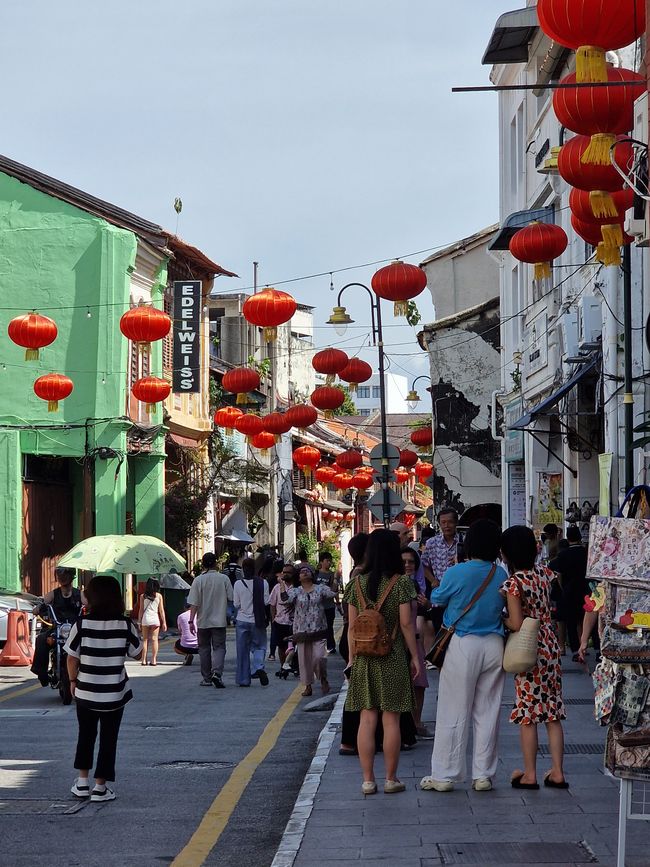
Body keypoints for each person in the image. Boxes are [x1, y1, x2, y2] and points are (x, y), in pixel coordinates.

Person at [420, 519, 506, 793]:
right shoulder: (500, 574)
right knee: (488, 710)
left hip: (462, 644)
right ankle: (483, 775)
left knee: (453, 710)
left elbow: (438, 597)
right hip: (494, 644)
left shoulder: (457, 572)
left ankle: (445, 775)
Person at [344, 528, 420, 795]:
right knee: (392, 720)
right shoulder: (401, 584)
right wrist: (415, 657)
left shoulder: (355, 584)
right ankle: (391, 778)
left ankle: (367, 780)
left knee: (367, 719)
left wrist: (352, 658)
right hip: (393, 657)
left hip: (364, 660)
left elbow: (352, 627)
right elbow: (407, 624)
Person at [64, 575, 142, 803]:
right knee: (109, 738)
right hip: (114, 694)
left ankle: (81, 782)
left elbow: (71, 658)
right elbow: (137, 653)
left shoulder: (82, 624)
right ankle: (100, 787)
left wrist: (72, 682)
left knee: (85, 735)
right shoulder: (125, 624)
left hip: (86, 692)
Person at [501, 525, 568, 789]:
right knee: (552, 712)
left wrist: (504, 619)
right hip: (550, 644)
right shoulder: (544, 574)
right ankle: (558, 771)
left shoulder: (514, 583)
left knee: (528, 713)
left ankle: (530, 774)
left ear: (507, 554)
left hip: (530, 648)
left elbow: (516, 623)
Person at [284, 564, 335, 697]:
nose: (305, 573)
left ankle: (323, 678)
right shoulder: (295, 591)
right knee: (304, 660)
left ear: (312, 575)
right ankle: (308, 686)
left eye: (308, 571)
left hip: (318, 629)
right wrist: (281, 584)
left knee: (319, 657)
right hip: (301, 631)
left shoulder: (320, 589)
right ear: (298, 577)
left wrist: (335, 580)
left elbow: (332, 594)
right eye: (302, 572)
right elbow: (286, 600)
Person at [31, 567, 86, 687]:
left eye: (65, 574)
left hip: (76, 628)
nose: (62, 577)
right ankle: (42, 674)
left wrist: (92, 606)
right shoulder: (53, 594)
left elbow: (88, 603)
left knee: (90, 640)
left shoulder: (79, 594)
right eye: (60, 574)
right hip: (58, 628)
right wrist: (38, 608)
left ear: (71, 576)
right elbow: (42, 604)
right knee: (41, 639)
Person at [187, 552, 233, 689]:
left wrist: (191, 621)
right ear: (216, 563)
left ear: (203, 564)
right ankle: (217, 673)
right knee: (219, 648)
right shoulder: (224, 579)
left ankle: (206, 678)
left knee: (204, 649)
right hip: (219, 621)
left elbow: (194, 603)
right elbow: (231, 597)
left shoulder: (198, 580)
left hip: (203, 621)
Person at [401, 547, 431, 738]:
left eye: (411, 562)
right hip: (402, 642)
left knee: (419, 684)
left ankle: (416, 722)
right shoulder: (397, 585)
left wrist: (426, 605)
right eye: (404, 561)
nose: (408, 565)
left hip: (416, 640)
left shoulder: (417, 585)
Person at [548, 525, 590, 660]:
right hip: (585, 589)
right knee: (584, 618)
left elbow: (559, 575)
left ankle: (575, 649)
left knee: (570, 621)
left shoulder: (563, 554)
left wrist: (562, 587)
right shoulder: (586, 552)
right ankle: (588, 645)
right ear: (579, 536)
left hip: (569, 590)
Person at [233, 558, 270, 687]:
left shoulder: (238, 584)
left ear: (243, 569)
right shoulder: (263, 583)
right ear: (255, 569)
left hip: (242, 620)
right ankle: (259, 666)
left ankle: (243, 680)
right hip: (258, 620)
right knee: (260, 646)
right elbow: (266, 602)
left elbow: (236, 604)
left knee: (242, 651)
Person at [269, 563, 298, 668]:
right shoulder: (277, 587)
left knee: (295, 646)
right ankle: (282, 667)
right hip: (280, 622)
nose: (285, 575)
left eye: (288, 573)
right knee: (281, 646)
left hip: (295, 622)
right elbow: (272, 604)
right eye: (284, 572)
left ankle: (295, 666)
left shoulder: (298, 588)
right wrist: (273, 619)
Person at [316, 551, 341, 654]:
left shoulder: (332, 575)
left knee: (329, 626)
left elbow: (334, 590)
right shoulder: (315, 574)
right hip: (317, 606)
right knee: (318, 626)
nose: (329, 563)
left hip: (329, 606)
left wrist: (338, 603)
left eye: (330, 561)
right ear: (321, 562)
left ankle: (331, 645)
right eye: (327, 561)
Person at [137, 578, 166, 666]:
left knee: (145, 640)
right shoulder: (159, 596)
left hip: (145, 619)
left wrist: (139, 622)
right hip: (155, 619)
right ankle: (153, 660)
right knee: (154, 640)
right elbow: (161, 610)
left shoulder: (142, 596)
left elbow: (141, 610)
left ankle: (143, 660)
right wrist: (164, 622)